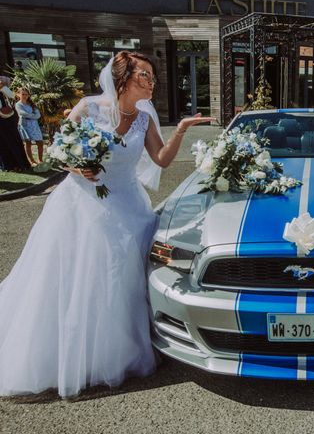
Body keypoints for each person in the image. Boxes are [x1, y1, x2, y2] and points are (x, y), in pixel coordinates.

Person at [0, 51, 213, 398]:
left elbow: (161, 158)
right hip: (82, 204)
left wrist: (182, 132)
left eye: (152, 76)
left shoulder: (144, 117)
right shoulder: (89, 107)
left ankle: (126, 346)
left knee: (126, 275)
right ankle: (82, 353)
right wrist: (77, 168)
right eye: (144, 75)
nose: (151, 82)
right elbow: (58, 150)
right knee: (83, 276)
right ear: (123, 79)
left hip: (129, 203)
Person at [0, 79, 31, 171]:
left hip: (8, 119)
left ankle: (19, 164)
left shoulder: (3, 88)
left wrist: (2, 87)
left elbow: (13, 96)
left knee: (14, 141)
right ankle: (7, 165)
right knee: (3, 143)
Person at [15, 87, 44, 166]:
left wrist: (31, 116)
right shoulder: (18, 104)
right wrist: (33, 116)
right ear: (18, 94)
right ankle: (32, 161)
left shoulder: (32, 104)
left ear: (28, 95)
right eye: (23, 94)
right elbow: (22, 113)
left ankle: (40, 160)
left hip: (34, 125)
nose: (24, 96)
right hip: (25, 125)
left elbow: (38, 115)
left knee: (40, 142)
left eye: (26, 94)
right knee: (28, 143)